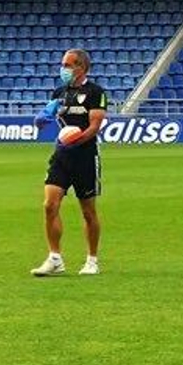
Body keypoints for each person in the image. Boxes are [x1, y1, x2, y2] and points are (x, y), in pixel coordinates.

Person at [31, 48, 109, 277]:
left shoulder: (95, 92)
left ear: (81, 67)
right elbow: (48, 113)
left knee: (88, 212)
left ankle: (92, 260)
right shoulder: (59, 92)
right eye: (63, 64)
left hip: (85, 156)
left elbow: (95, 126)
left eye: (67, 65)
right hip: (62, 155)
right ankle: (55, 258)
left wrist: (76, 140)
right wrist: (41, 119)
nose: (63, 69)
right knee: (49, 206)